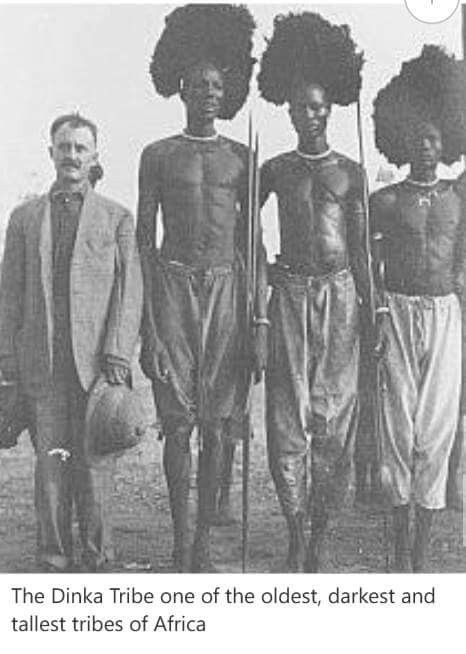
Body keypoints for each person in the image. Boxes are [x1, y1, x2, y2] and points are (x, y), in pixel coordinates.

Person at [137, 4, 267, 572]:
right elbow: (143, 241)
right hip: (171, 289)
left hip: (228, 293)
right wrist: (148, 328)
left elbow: (255, 244)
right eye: (198, 85)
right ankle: (179, 538)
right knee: (179, 422)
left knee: (218, 425)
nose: (208, 93)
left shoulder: (243, 158)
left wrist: (258, 323)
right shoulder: (157, 155)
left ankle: (205, 543)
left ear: (227, 91)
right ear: (181, 89)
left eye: (217, 85)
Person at [0, 113, 142, 571]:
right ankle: (54, 559)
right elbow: (9, 295)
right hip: (44, 364)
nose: (72, 157)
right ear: (51, 154)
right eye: (65, 148)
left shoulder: (117, 217)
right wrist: (7, 357)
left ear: (94, 157)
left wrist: (118, 352)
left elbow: (130, 290)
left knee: (96, 465)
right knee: (52, 470)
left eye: (81, 149)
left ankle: (100, 558)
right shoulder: (24, 219)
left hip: (98, 369)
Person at [257, 12, 369, 572]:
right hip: (291, 294)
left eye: (321, 106)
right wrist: (260, 291)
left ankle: (319, 534)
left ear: (332, 107)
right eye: (303, 106)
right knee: (286, 418)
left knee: (333, 421)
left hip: (342, 295)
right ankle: (295, 527)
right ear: (289, 109)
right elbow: (241, 233)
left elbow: (363, 251)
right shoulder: (274, 170)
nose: (312, 114)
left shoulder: (351, 172)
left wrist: (372, 313)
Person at [371, 45, 466, 571]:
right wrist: (379, 316)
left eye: (433, 137)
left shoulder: (459, 198)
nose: (424, 146)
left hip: (446, 313)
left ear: (447, 140)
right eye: (415, 138)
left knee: (436, 431)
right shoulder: (385, 201)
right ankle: (401, 552)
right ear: (401, 141)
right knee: (398, 429)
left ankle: (423, 557)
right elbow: (369, 262)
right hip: (398, 310)